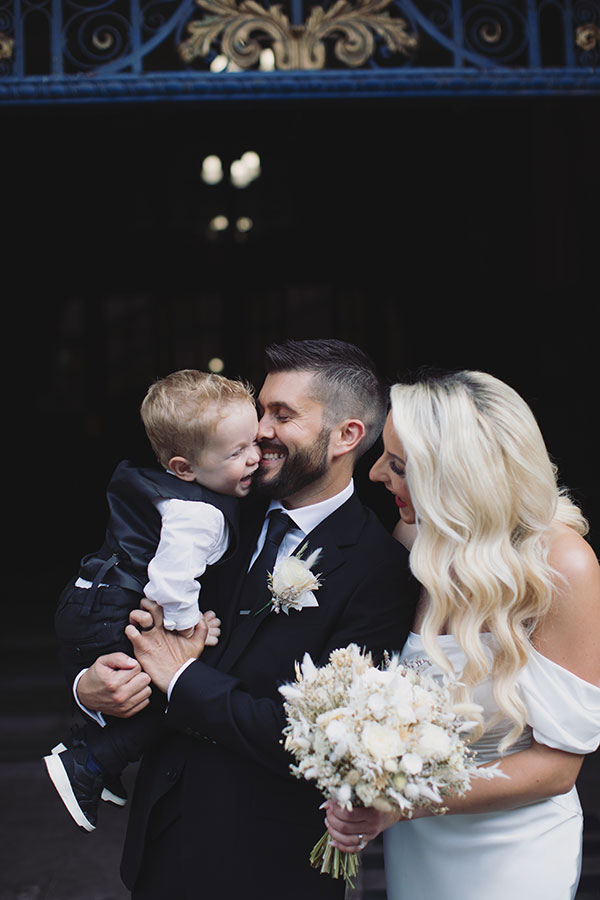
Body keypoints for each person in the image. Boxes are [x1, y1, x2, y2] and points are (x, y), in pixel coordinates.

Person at [74, 338, 419, 900]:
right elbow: (107, 600)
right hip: (158, 846)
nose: (259, 429)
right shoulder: (212, 509)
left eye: (282, 415)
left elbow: (320, 739)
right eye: (261, 409)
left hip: (264, 867)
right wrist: (89, 686)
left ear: (348, 436)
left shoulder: (380, 572)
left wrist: (183, 679)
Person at [324, 370, 600, 900]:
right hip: (417, 844)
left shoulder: (561, 564)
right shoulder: (417, 537)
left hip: (514, 850)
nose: (377, 473)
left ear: (457, 476)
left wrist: (400, 803)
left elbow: (556, 769)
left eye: (399, 465)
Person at [45, 369, 260, 833]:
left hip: (87, 598)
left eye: (254, 442)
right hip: (110, 611)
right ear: (183, 468)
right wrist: (188, 629)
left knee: (158, 689)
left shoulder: (164, 487)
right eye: (237, 452)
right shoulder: (200, 515)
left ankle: (95, 757)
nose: (255, 458)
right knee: (175, 687)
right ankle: (88, 762)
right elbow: (169, 582)